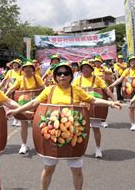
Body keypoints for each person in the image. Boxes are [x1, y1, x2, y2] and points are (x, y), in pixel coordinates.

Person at [7, 61, 121, 190]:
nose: (62, 76)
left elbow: (93, 100)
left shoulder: (76, 90)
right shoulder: (49, 90)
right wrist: (17, 110)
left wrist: (110, 103)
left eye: (66, 73)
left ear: (71, 76)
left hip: (73, 135)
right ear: (55, 76)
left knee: (76, 171)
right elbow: (34, 102)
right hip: (51, 135)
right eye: (59, 73)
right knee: (49, 169)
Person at [73, 59, 117, 158]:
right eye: (83, 68)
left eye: (87, 68)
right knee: (81, 130)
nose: (85, 70)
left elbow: (107, 90)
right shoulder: (77, 80)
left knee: (96, 129)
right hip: (82, 109)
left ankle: (98, 148)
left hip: (95, 109)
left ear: (91, 69)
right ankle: (80, 149)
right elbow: (71, 93)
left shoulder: (97, 79)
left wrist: (115, 100)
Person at [5, 61, 44, 154]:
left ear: (33, 70)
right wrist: (5, 96)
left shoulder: (37, 77)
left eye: (30, 69)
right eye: (26, 69)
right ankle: (23, 145)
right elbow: (12, 88)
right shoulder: (20, 79)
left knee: (38, 125)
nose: (28, 70)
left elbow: (44, 87)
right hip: (23, 103)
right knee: (24, 125)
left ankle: (41, 144)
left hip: (35, 104)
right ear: (23, 70)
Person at [109, 54, 135, 131]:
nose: (132, 62)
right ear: (129, 62)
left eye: (134, 60)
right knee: (131, 108)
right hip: (129, 92)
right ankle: (133, 124)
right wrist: (112, 85)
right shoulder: (126, 70)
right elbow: (120, 79)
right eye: (131, 61)